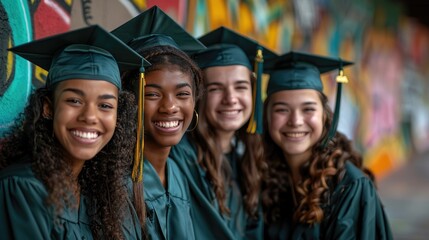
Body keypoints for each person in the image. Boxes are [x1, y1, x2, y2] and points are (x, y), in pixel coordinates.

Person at [0, 25, 150, 239]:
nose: (89, 116)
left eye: (105, 106)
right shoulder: (22, 190)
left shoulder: (103, 196)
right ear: (48, 108)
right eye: (74, 100)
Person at [261, 51, 393, 239]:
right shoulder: (265, 175)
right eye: (282, 109)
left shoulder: (348, 187)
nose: (295, 121)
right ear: (266, 116)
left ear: (324, 115)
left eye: (308, 109)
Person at [169, 26, 277, 240]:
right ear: (199, 96)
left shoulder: (245, 162)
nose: (231, 98)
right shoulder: (181, 156)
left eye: (241, 87)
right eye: (216, 88)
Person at [111, 6, 205, 239]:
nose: (170, 107)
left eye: (182, 94)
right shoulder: (116, 183)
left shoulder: (177, 174)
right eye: (152, 94)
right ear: (127, 101)